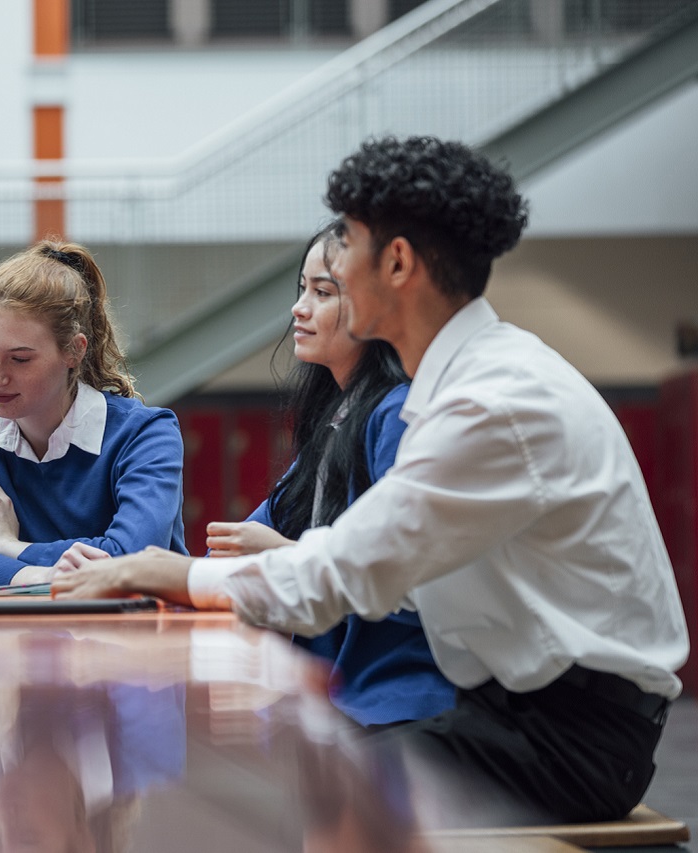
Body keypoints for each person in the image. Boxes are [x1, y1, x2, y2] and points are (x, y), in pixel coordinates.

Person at [53, 136, 689, 825]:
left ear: (396, 262)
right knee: (290, 768)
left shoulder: (493, 401)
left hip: (572, 736)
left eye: (345, 247)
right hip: (514, 705)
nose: (328, 268)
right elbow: (349, 561)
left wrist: (159, 569)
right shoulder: (462, 382)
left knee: (311, 785)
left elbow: (338, 575)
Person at [204, 223, 453, 729]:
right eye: (302, 289)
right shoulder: (338, 418)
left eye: (322, 292)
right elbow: (226, 551)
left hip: (397, 700)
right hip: (333, 695)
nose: (299, 308)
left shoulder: (397, 414)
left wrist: (279, 552)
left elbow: (403, 583)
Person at [0, 241, 185, 590]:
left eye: (20, 359)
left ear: (74, 351)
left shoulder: (146, 434)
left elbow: (131, 556)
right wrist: (46, 577)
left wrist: (6, 545)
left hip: (138, 635)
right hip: (18, 637)